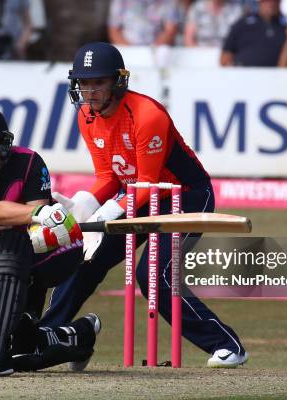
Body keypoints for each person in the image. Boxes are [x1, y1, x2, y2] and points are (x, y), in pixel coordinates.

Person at [43, 42, 248, 368]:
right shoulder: (87, 117)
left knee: (154, 274)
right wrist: (87, 202)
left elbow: (148, 181)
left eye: (99, 82)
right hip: (137, 197)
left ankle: (227, 345)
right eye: (84, 82)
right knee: (84, 258)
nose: (90, 91)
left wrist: (110, 209)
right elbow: (109, 175)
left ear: (117, 82)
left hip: (185, 195)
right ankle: (45, 337)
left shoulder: (147, 115)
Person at [0, 104, 101, 376]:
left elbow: (40, 231)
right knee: (21, 352)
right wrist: (39, 212)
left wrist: (41, 214)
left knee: (13, 240)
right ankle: (81, 335)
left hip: (57, 250)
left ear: (2, 143)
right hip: (14, 269)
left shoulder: (28, 162)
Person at [221, 0, 286, 66]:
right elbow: (225, 57)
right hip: (244, 73)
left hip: (278, 74)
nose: (271, 4)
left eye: (275, 1)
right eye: (267, 1)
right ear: (259, 2)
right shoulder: (243, 24)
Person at [107, 0, 180, 46]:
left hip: (157, 53)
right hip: (127, 51)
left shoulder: (169, 2)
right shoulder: (121, 1)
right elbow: (114, 30)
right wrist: (131, 51)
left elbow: (171, 30)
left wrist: (151, 50)